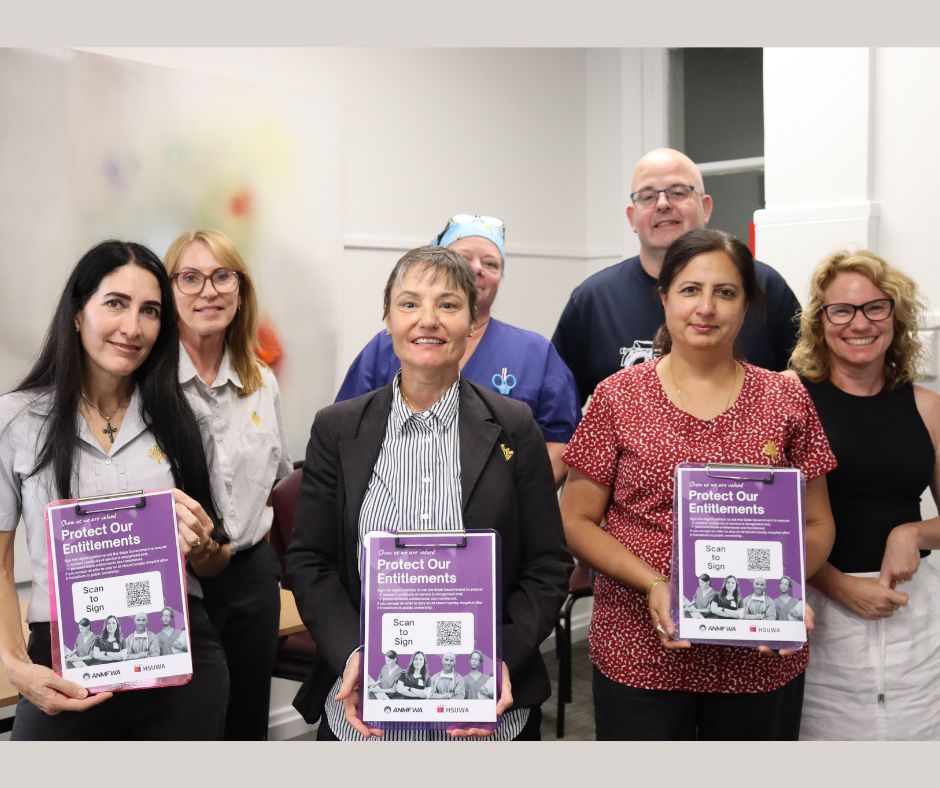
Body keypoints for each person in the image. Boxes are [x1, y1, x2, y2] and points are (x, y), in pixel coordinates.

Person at [559, 228, 837, 740]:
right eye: (690, 290)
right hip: (640, 650)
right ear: (664, 298)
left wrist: (785, 589)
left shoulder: (786, 399)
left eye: (725, 292)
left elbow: (818, 523)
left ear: (748, 304)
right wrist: (653, 583)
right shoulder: (617, 396)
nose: (706, 307)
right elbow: (575, 520)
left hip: (759, 653)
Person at [287, 245, 572, 741]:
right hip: (365, 715)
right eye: (410, 303)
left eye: (448, 304)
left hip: (488, 715)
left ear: (472, 320)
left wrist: (500, 655)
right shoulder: (337, 429)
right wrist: (356, 653)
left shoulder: (514, 426)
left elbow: (547, 566)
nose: (429, 320)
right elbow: (310, 561)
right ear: (388, 318)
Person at [0, 239, 231, 740]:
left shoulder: (188, 420)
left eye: (149, 311)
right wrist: (14, 665)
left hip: (179, 660)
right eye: (115, 304)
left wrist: (206, 543)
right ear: (78, 313)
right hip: (63, 664)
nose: (132, 328)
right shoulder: (16, 420)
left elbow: (217, 561)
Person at [789, 249, 940, 740]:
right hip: (817, 610)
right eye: (842, 310)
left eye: (876, 307)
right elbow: (762, 524)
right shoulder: (787, 397)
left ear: (895, 318)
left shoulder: (926, 406)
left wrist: (912, 530)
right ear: (820, 321)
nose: (860, 323)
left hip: (911, 613)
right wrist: (836, 584)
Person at [336, 214, 580, 486]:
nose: (477, 269)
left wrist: (509, 496)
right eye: (464, 258)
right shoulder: (385, 348)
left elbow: (562, 442)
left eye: (491, 263)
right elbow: (345, 434)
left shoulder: (536, 354)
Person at [164, 229, 293, 740]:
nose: (208, 291)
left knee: (245, 722)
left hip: (251, 574)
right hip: (178, 583)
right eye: (190, 278)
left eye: (223, 277)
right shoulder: (147, 388)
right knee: (184, 726)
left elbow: (280, 477)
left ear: (241, 292)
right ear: (169, 291)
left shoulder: (262, 381)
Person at [552, 148, 801, 406]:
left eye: (678, 192)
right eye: (648, 196)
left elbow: (812, 375)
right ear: (632, 218)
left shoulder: (762, 284)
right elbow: (557, 410)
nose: (662, 204)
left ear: (705, 207)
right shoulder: (594, 299)